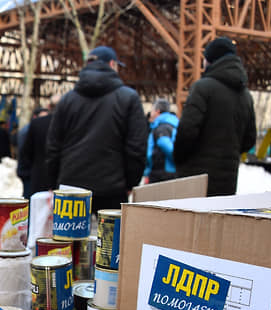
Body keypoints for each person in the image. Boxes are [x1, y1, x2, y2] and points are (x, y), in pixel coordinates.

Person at [46, 45, 147, 213]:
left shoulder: (67, 100)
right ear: (112, 64)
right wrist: (130, 183)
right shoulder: (129, 98)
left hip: (71, 188)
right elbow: (136, 147)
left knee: (70, 239)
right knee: (110, 238)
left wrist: (52, 182)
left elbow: (53, 146)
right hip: (113, 188)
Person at [174, 37, 256, 196]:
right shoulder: (246, 96)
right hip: (228, 183)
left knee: (191, 221)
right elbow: (249, 140)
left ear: (211, 60)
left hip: (195, 179)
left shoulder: (202, 88)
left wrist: (180, 161)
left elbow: (187, 132)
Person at [18, 104, 52, 198]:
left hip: (31, 171)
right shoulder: (27, 130)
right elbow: (25, 152)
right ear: (35, 117)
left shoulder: (30, 128)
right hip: (29, 172)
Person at [143, 99, 179, 183]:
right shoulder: (172, 125)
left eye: (152, 111)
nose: (150, 114)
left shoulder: (161, 128)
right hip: (171, 171)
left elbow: (165, 145)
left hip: (161, 173)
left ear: (157, 112)